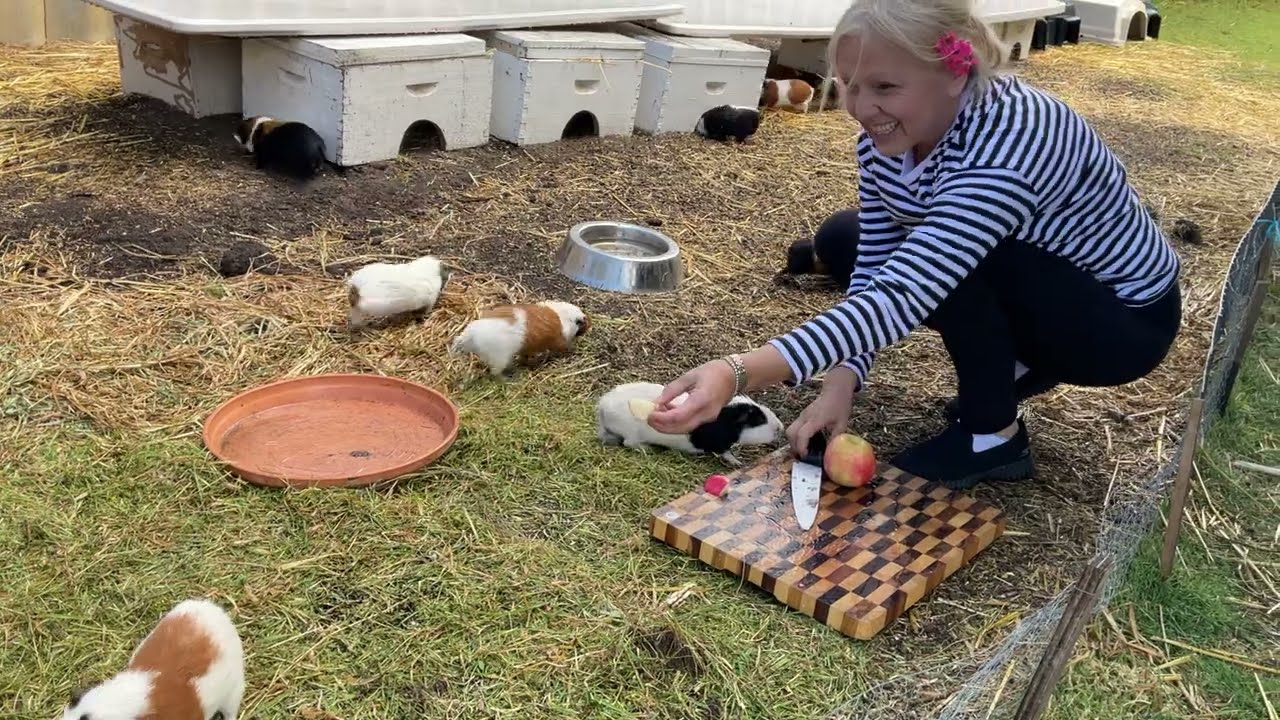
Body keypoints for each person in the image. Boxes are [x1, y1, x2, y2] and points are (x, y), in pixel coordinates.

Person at [646, 0, 1182, 490]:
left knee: (965, 262)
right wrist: (841, 382)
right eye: (851, 84)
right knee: (846, 239)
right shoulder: (886, 139)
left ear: (954, 73)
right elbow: (877, 263)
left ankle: (992, 439)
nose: (861, 106)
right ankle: (1016, 362)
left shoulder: (1013, 139)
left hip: (1120, 326)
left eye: (884, 87)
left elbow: (907, 290)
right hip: (1048, 291)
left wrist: (739, 371)